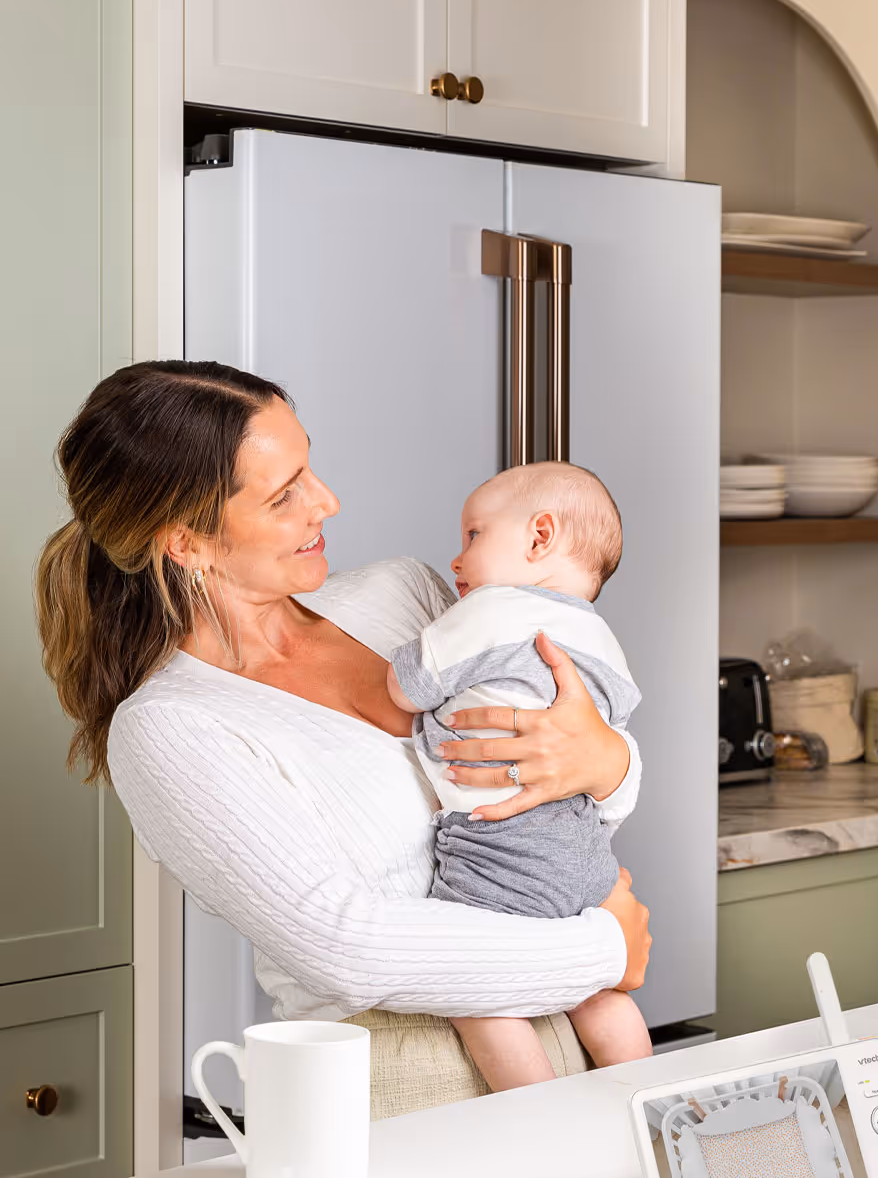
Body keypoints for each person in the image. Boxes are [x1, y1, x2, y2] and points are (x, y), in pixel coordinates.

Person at [34, 360, 651, 1119]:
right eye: (284, 492)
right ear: (187, 543)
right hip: (402, 1087)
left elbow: (574, 777)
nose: (326, 500)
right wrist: (605, 949)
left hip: (579, 1039)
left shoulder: (407, 595)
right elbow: (347, 947)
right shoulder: (171, 728)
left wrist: (611, 764)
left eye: (309, 467)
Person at [388, 462, 652, 1090]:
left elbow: (406, 685)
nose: (457, 560)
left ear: (538, 538)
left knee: (480, 996)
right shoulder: (602, 639)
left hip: (501, 850)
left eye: (473, 536)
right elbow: (608, 749)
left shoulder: (491, 611)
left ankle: (540, 1115)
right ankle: (651, 1098)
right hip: (584, 846)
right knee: (599, 992)